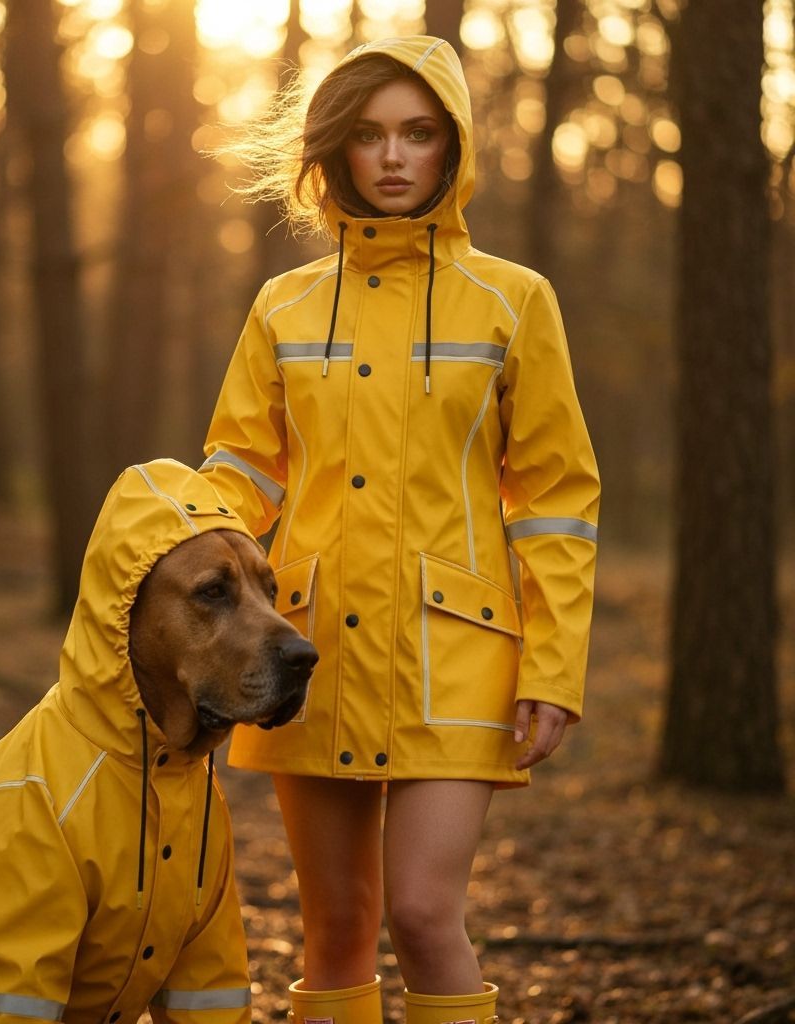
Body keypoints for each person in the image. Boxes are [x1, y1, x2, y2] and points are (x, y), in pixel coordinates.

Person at [199, 35, 600, 1024]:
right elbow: (236, 479)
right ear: (335, 152)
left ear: (452, 148)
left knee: (424, 912)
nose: (391, 157)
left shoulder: (514, 301)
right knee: (331, 927)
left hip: (454, 652)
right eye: (369, 135)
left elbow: (554, 499)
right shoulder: (283, 305)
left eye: (417, 134)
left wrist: (553, 666)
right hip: (309, 650)